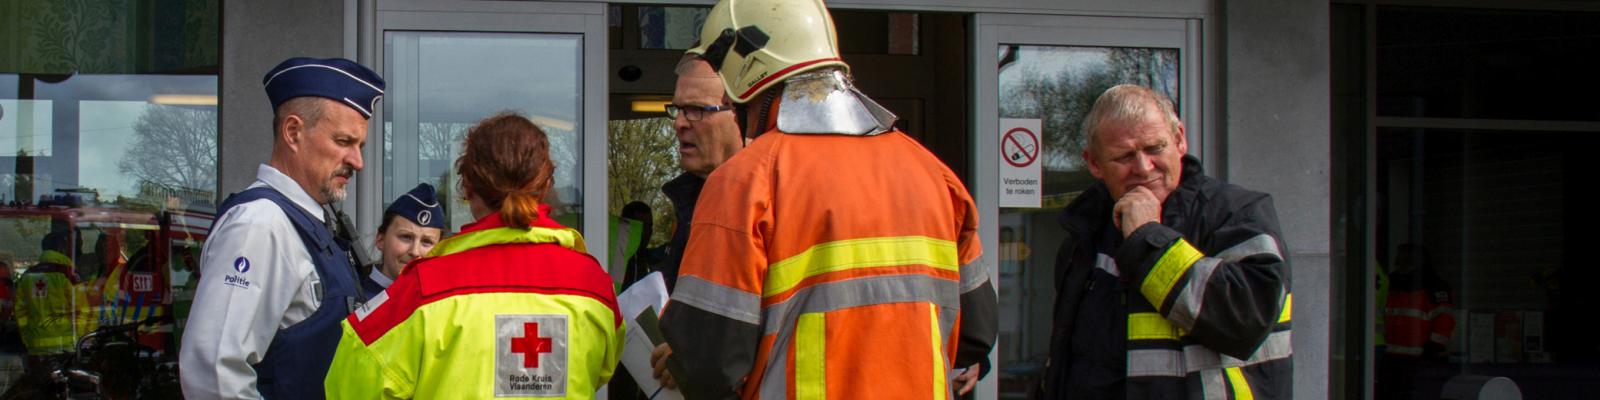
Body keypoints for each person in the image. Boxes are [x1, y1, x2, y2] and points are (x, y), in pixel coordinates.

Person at [653, 0, 998, 397]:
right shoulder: (934, 175)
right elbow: (976, 336)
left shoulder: (746, 181)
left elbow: (708, 363)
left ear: (748, 77)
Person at [323, 112, 622, 399]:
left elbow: (350, 380)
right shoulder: (595, 285)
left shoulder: (425, 287)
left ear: (466, 186)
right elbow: (601, 370)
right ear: (546, 185)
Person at [1036, 84, 1293, 399]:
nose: (1144, 168)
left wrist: (1148, 238)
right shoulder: (1085, 236)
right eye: (1124, 156)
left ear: (1180, 139)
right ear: (1093, 163)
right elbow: (1069, 359)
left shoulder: (1237, 214)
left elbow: (1245, 320)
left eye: (1155, 148)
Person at [180, 57, 383, 399]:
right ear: (293, 132)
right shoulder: (260, 225)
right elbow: (214, 372)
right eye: (344, 141)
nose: (357, 161)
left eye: (359, 146)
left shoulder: (305, 221)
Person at [654, 56, 749, 292]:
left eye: (696, 109)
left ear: (740, 114)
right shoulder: (689, 203)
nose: (679, 124)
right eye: (677, 109)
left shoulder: (766, 204)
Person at [1376, 243, 1454, 400]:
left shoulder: (1433, 285)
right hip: (1391, 357)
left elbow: (1444, 319)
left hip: (1420, 359)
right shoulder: (1391, 282)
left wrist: (1434, 347)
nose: (1400, 260)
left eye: (1405, 257)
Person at [359, 183, 445, 297]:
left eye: (426, 242)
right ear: (380, 240)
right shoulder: (353, 296)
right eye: (406, 237)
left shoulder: (438, 301)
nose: (415, 252)